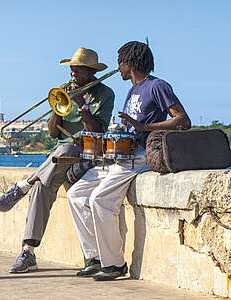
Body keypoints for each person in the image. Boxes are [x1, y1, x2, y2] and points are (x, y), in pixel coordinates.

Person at [67, 41, 191, 281]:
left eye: (120, 62)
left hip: (141, 155)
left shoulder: (157, 86)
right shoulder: (132, 90)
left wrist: (144, 127)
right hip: (122, 156)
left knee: (100, 200)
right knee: (76, 194)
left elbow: (183, 120)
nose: (118, 68)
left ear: (130, 63)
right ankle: (93, 258)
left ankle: (114, 264)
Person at [0, 47, 115, 273]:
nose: (72, 75)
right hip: (60, 156)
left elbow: (96, 132)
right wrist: (57, 109)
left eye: (77, 71)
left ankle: (23, 186)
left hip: (87, 152)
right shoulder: (64, 91)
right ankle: (28, 252)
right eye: (71, 71)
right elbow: (52, 134)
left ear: (90, 72)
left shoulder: (105, 93)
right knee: (42, 186)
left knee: (66, 148)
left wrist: (82, 104)